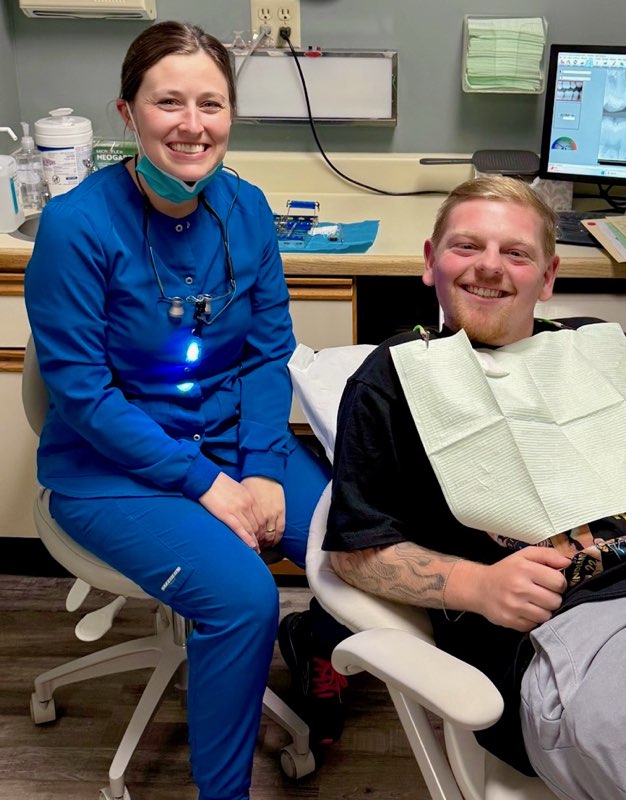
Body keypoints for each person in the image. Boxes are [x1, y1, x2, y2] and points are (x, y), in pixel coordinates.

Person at [324, 175, 626, 800]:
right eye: (466, 246)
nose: (489, 267)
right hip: (589, 633)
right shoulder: (392, 380)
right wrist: (475, 586)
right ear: (430, 261)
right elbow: (353, 552)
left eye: (516, 253)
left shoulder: (607, 351)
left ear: (548, 276)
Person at [24, 21, 345, 800]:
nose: (192, 124)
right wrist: (204, 483)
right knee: (243, 597)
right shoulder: (76, 227)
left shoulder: (246, 208)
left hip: (233, 439)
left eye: (211, 103)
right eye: (168, 102)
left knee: (357, 535)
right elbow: (84, 395)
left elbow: (267, 353)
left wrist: (261, 468)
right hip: (110, 467)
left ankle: (317, 653)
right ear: (127, 113)